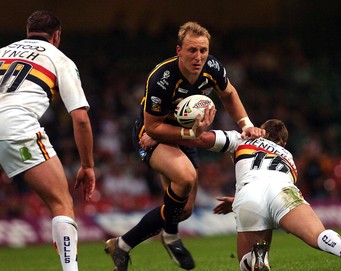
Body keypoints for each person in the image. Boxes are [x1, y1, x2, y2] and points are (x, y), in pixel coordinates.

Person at [104, 21, 264, 271]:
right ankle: (170, 236)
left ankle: (122, 246)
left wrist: (246, 123)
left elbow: (229, 93)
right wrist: (192, 132)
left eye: (203, 50)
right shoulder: (162, 78)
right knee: (185, 176)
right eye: (192, 50)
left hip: (184, 135)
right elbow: (153, 128)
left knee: (184, 209)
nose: (198, 57)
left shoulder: (213, 68)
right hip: (153, 134)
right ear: (179, 50)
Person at [142, 118, 341, 271]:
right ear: (284, 142)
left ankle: (256, 259)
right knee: (318, 234)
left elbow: (202, 139)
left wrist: (161, 134)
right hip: (284, 190)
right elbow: (269, 182)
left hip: (248, 196)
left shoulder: (243, 138)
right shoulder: (289, 158)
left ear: (262, 132)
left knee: (245, 263)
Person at [0, 10, 96, 271]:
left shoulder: (3, 52)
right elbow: (80, 119)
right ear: (56, 36)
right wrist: (87, 165)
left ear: (27, 32)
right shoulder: (59, 58)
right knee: (61, 202)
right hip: (15, 126)